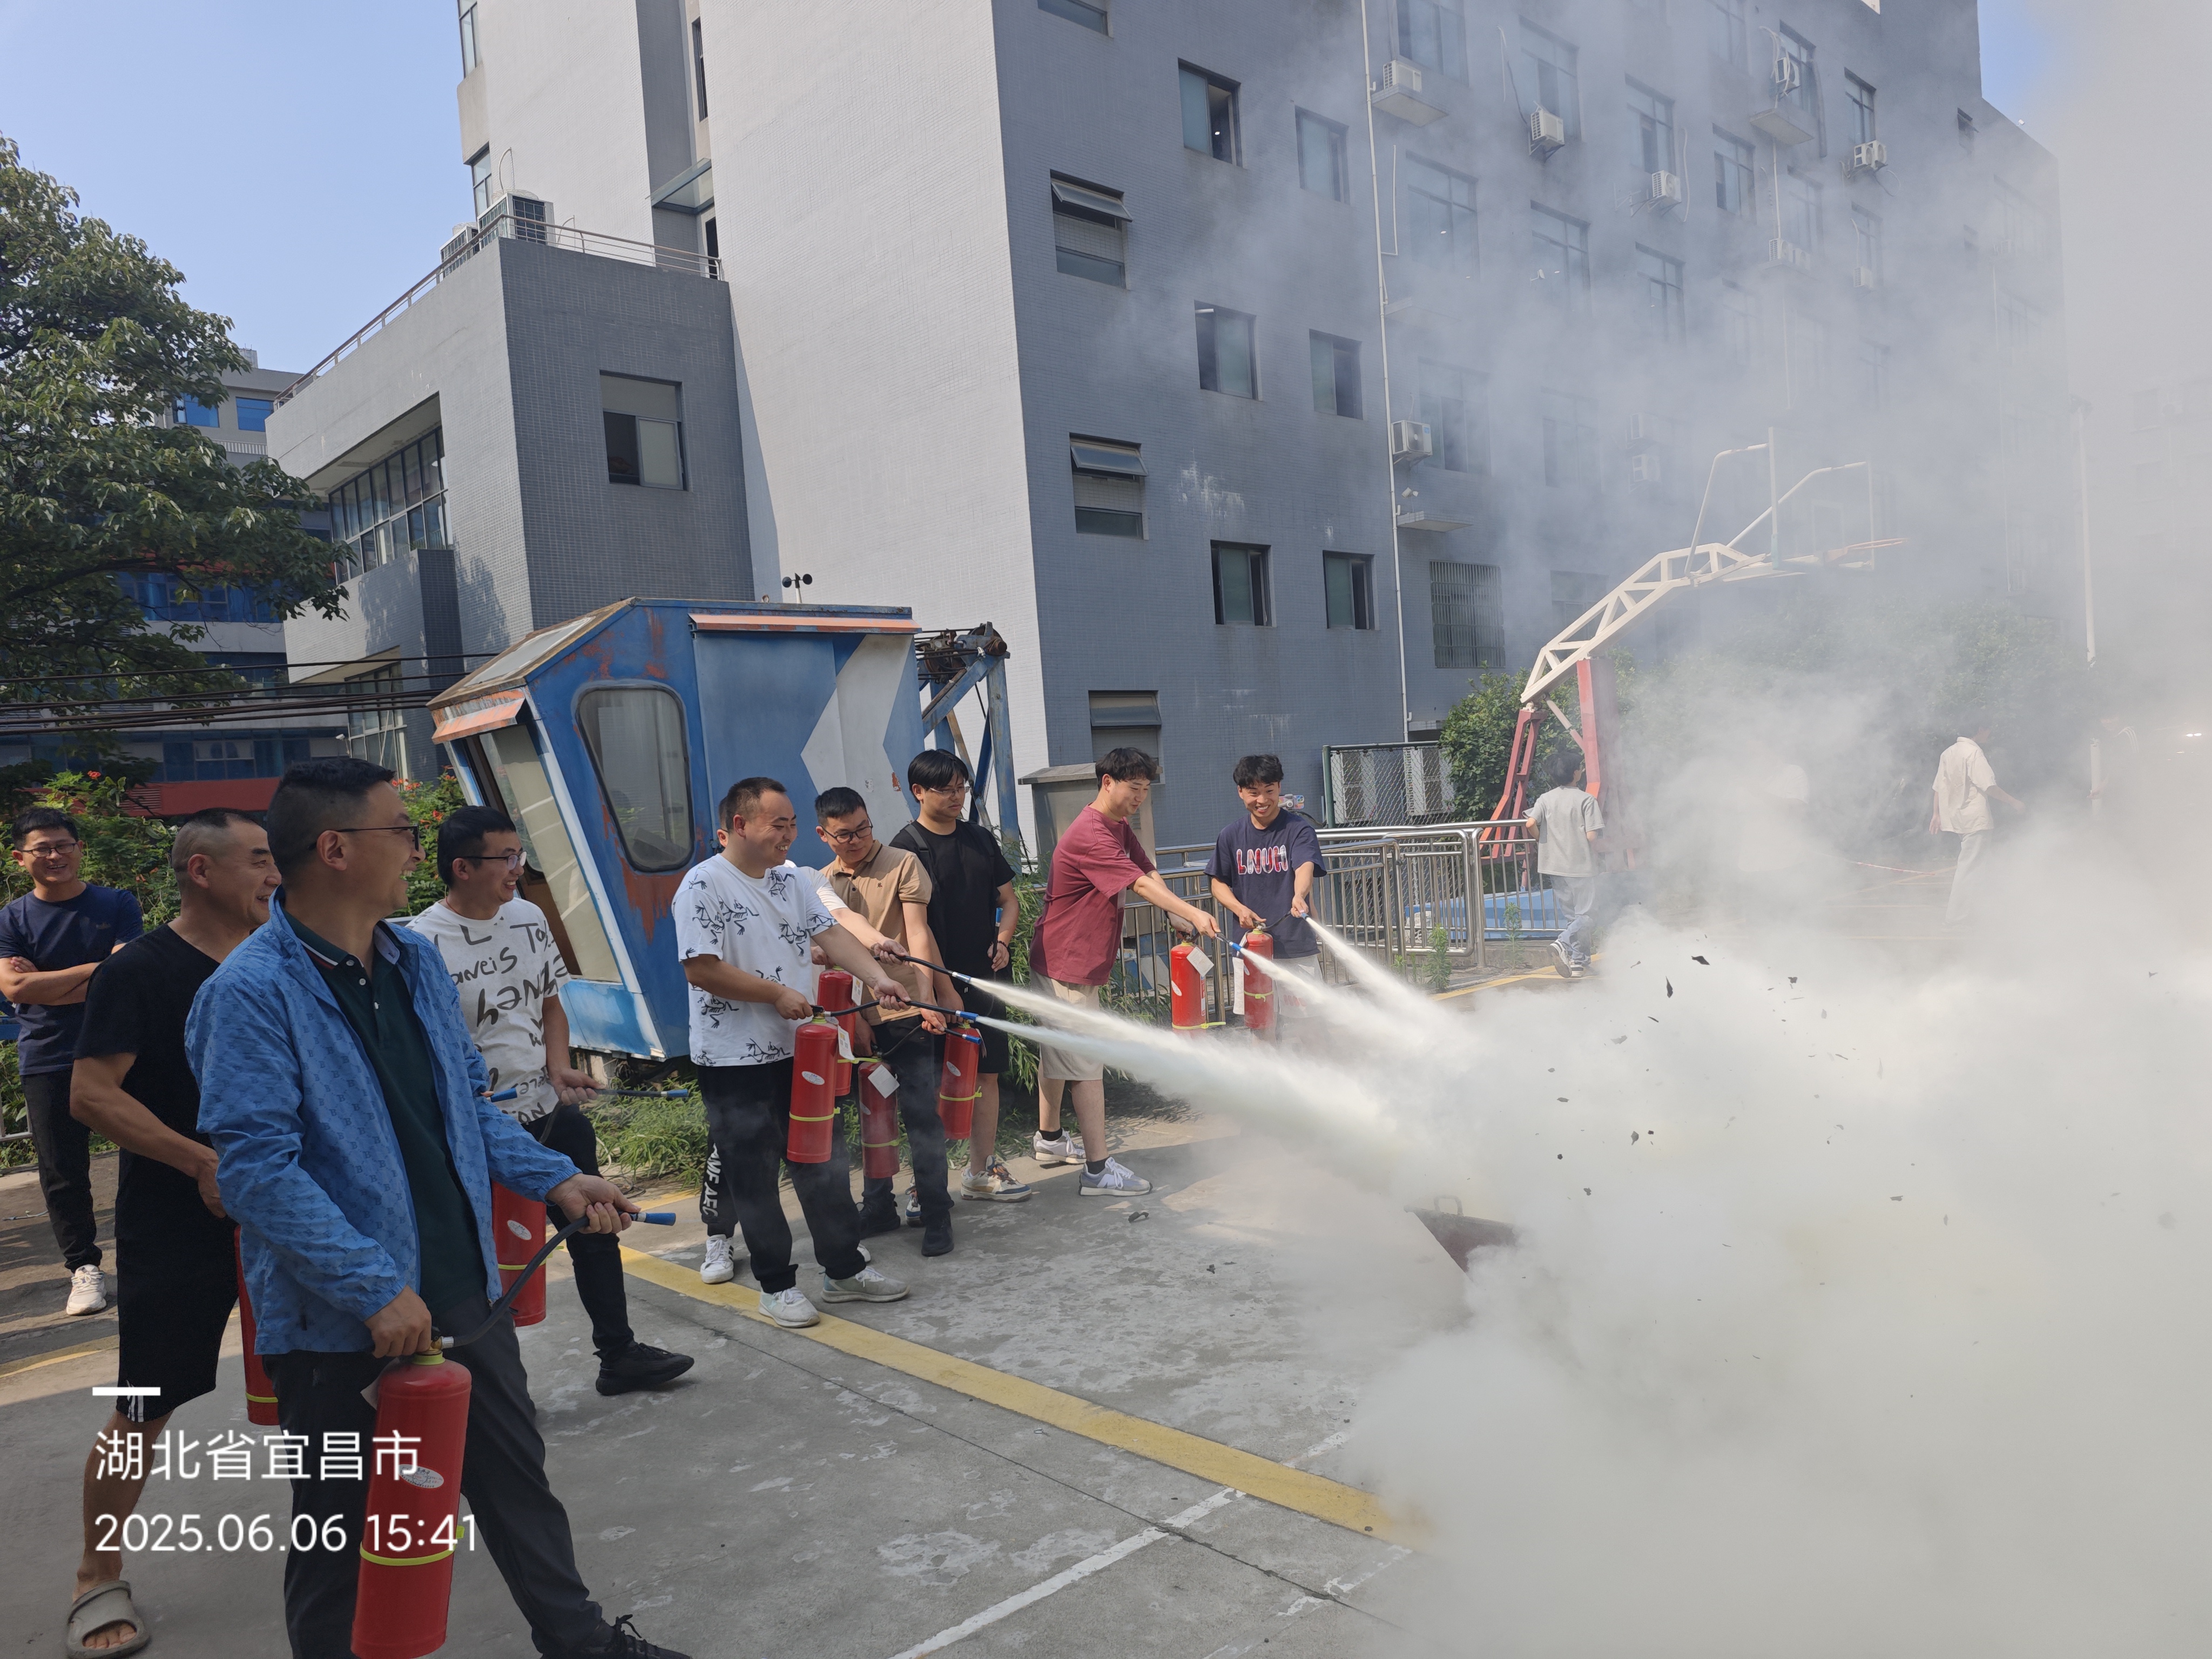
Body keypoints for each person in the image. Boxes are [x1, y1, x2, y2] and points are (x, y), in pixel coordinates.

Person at [187, 758, 685, 1659]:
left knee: (515, 1480)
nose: (419, 849)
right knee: (344, 1527)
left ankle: (583, 1643)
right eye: (401, 833)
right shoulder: (250, 995)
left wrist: (554, 1178)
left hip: (461, 1284)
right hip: (343, 1319)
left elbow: (465, 1103)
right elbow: (257, 1172)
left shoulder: (413, 959)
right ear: (335, 848)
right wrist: (373, 1286)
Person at [62, 810, 277, 1655]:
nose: (273, 875)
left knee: (333, 1377)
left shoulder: (281, 958)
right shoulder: (140, 970)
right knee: (146, 1403)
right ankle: (96, 1573)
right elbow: (92, 1094)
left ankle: (361, 1534)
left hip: (288, 1211)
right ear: (200, 870)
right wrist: (200, 1162)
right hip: (177, 1217)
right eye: (258, 860)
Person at [410, 805, 694, 1397]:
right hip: (479, 1132)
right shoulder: (420, 946)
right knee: (490, 1262)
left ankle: (618, 1354)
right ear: (461, 867)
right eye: (505, 858)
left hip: (548, 1113)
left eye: (520, 855)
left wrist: (559, 1066)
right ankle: (499, 1389)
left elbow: (548, 1004)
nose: (518, 868)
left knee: (595, 1227)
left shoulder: (528, 916)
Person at [674, 777, 915, 1325]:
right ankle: (776, 1285)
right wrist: (776, 993)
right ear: (740, 825)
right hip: (734, 1060)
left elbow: (829, 935)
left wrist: (878, 979)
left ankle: (843, 1270)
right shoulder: (703, 886)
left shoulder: (790, 880)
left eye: (791, 825)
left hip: (803, 1052)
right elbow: (702, 968)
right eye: (777, 825)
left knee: (823, 1163)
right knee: (755, 1175)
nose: (789, 836)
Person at [1028, 748, 1219, 1196]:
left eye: (1146, 791)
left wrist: (1175, 914)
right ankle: (1097, 1171)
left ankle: (1050, 1140)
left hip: (1071, 959)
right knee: (1087, 1063)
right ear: (1107, 782)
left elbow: (1146, 868)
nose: (1140, 798)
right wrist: (1191, 910)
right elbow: (1136, 884)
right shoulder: (1091, 833)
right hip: (1067, 963)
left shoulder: (1116, 825)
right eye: (1133, 788)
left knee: (1059, 1054)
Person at [0, 807, 143, 1317]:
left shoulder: (117, 903)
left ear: (79, 849)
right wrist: (98, 970)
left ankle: (148, 1255)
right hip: (47, 1055)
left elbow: (124, 976)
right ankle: (83, 1267)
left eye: (63, 845)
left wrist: (47, 981)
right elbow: (13, 987)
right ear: (21, 859)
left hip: (120, 1048)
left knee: (146, 1152)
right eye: (42, 848)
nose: (55, 855)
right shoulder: (11, 918)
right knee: (62, 1171)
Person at [813, 787, 960, 1253]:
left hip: (906, 1009)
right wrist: (850, 1018)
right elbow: (833, 953)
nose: (856, 841)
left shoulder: (902, 863)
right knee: (869, 1114)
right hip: (852, 1015)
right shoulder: (818, 883)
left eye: (863, 829)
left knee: (921, 1115)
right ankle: (878, 1205)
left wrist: (930, 999)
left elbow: (919, 933)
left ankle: (937, 1213)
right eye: (844, 835)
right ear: (824, 835)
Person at [889, 751, 1031, 1207]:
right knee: (927, 1086)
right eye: (946, 789)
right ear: (918, 792)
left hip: (986, 978)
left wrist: (1004, 942)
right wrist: (932, 991)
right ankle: (923, 1185)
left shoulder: (980, 840)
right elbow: (914, 928)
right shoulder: (905, 848)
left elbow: (1008, 901)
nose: (956, 797)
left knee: (986, 1075)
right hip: (928, 986)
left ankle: (980, 1170)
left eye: (961, 788)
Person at [1204, 754, 1328, 1027]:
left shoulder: (1298, 830)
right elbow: (1218, 883)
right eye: (1254, 793)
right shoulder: (1230, 835)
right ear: (1240, 792)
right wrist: (1239, 909)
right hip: (1250, 948)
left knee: (1310, 1025)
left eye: (1269, 791)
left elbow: (1305, 867)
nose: (1262, 800)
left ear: (1279, 788)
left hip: (1295, 944)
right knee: (1260, 1025)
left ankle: (1321, 1069)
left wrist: (1299, 896)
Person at [1930, 716, 2025, 926]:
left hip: (1958, 819)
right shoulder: (1973, 752)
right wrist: (2013, 801)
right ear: (1980, 729)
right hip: (1975, 819)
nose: (1989, 734)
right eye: (1988, 730)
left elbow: (1938, 786)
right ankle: (1957, 917)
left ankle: (1979, 911)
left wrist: (1936, 814)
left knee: (1976, 866)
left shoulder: (1948, 752)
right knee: (1969, 869)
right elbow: (1988, 786)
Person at [1526, 749, 1603, 977]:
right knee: (1588, 915)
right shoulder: (1586, 800)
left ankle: (1579, 964)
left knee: (1573, 916)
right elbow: (1591, 837)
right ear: (1577, 774)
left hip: (1553, 865)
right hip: (1580, 866)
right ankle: (1563, 943)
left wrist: (1542, 839)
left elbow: (1531, 823)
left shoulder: (1545, 799)